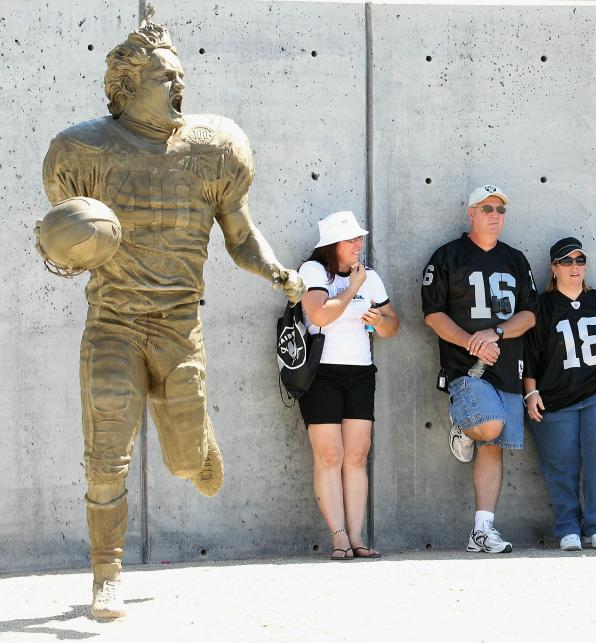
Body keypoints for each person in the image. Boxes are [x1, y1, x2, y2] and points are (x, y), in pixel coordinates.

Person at [40, 21, 304, 617]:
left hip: (178, 324)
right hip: (113, 319)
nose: (178, 82)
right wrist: (61, 250)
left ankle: (196, 443)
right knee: (107, 440)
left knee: (186, 462)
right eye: (165, 75)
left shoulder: (213, 148)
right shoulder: (82, 150)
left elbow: (239, 233)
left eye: (182, 73)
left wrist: (278, 273)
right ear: (128, 85)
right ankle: (106, 574)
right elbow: (60, 232)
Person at [421, 184, 537, 553]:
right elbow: (433, 316)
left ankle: (482, 530)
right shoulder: (447, 257)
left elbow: (530, 315)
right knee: (489, 424)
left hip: (507, 367)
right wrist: (472, 342)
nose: (494, 216)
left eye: (501, 210)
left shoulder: (516, 259)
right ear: (470, 213)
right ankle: (463, 423)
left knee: (493, 444)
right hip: (466, 369)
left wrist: (496, 332)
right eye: (486, 208)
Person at [298, 210, 399, 559]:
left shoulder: (370, 276)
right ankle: (338, 536)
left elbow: (392, 326)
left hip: (360, 372)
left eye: (360, 238)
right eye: (351, 239)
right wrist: (353, 289)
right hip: (321, 373)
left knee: (356, 455)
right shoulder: (313, 272)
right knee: (330, 455)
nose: (359, 244)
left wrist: (378, 321)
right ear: (332, 245)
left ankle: (357, 537)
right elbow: (319, 315)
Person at [523, 237, 596, 551]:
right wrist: (530, 393)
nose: (575, 267)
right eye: (567, 261)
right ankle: (568, 527)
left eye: (580, 260)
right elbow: (529, 353)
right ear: (554, 268)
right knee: (560, 464)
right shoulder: (541, 306)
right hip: (554, 398)